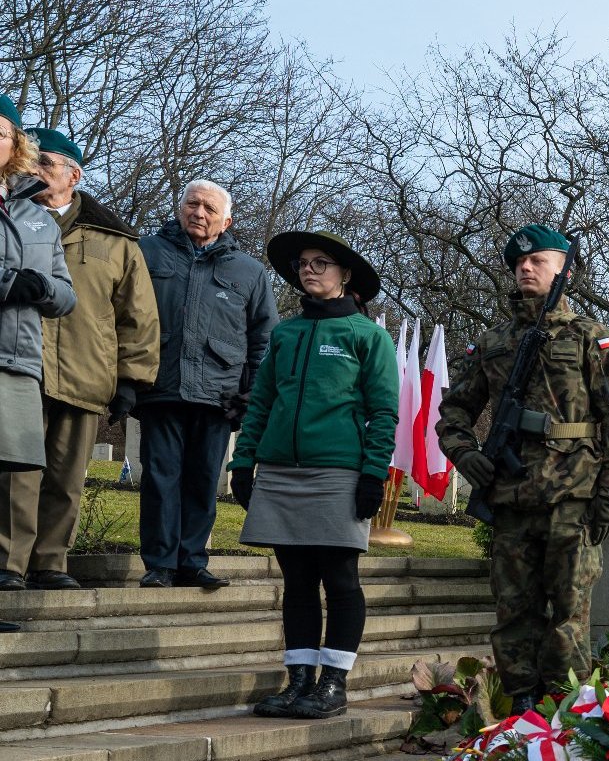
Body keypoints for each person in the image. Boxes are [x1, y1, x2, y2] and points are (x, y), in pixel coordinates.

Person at [437, 225, 609, 709]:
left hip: (574, 497)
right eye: (519, 263)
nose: (525, 268)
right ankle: (521, 711)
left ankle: (566, 713)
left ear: (564, 271)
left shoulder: (592, 338)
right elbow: (453, 413)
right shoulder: (492, 342)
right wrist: (466, 455)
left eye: (538, 261)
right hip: (512, 499)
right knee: (513, 614)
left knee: (571, 615)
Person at [227, 231, 397, 719]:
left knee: (340, 578)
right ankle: (299, 680)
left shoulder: (367, 336)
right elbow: (262, 403)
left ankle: (333, 684)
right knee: (297, 580)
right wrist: (243, 462)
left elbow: (384, 412)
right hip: (281, 472)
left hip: (338, 472)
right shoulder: (285, 333)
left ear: (345, 276)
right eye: (304, 263)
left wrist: (371, 474)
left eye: (322, 263)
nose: (309, 269)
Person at [0, 127, 158, 592]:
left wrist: (130, 379)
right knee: (18, 473)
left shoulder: (116, 240)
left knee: (66, 477)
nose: (36, 170)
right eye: (33, 161)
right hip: (23, 366)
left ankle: (50, 563)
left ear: (75, 175)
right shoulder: (18, 217)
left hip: (85, 370)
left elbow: (138, 316)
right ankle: (9, 563)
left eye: (47, 163)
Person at [136, 180, 278, 589]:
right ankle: (160, 563)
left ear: (226, 220)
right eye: (192, 204)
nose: (199, 213)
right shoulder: (147, 253)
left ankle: (192, 561)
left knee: (202, 479)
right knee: (161, 477)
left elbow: (263, 338)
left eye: (209, 208)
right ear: (179, 208)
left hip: (219, 395)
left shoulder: (249, 271)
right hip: (161, 385)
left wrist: (251, 395)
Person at [0, 96, 77, 480]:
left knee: (10, 477)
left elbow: (66, 294)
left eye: (0, 132)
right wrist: (8, 283)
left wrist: (40, 286)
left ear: (16, 145)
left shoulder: (39, 219)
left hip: (18, 362)